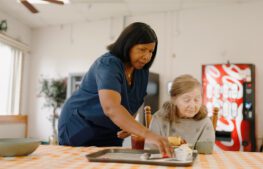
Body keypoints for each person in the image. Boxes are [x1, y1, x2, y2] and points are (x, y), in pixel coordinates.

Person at [58, 22, 172, 156]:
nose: (147, 57)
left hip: (110, 131)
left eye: (151, 51)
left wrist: (128, 125)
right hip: (79, 125)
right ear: (128, 45)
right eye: (142, 49)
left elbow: (134, 100)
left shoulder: (142, 72)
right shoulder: (108, 64)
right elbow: (111, 108)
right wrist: (147, 133)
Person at [147, 74, 215, 153]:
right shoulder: (159, 119)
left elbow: (205, 152)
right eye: (186, 100)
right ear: (173, 99)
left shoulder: (205, 122)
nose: (192, 105)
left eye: (197, 100)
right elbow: (152, 150)